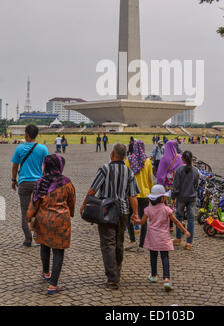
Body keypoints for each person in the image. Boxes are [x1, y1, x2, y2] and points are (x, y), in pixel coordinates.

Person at [80, 143, 140, 289]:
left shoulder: (105, 169)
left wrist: (84, 204)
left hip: (106, 210)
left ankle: (112, 278)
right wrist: (136, 214)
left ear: (112, 154)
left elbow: (93, 189)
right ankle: (117, 271)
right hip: (123, 211)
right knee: (119, 242)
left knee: (108, 244)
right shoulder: (129, 172)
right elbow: (133, 196)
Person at [26, 154, 76, 294]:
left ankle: (46, 272)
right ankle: (53, 285)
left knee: (44, 244)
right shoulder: (67, 183)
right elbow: (71, 201)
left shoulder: (40, 182)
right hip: (61, 221)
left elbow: (34, 202)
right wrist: (70, 213)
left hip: (44, 220)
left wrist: (29, 218)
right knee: (58, 251)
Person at [137, 185, 190, 291]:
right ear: (162, 198)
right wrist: (184, 231)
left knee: (153, 256)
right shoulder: (167, 209)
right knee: (165, 257)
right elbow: (175, 221)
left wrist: (135, 220)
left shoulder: (147, 210)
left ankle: (154, 275)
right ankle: (166, 279)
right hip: (163, 237)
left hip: (152, 237)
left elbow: (142, 222)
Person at [11, 125, 49, 247]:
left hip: (24, 183)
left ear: (27, 135)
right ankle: (38, 236)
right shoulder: (43, 149)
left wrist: (13, 180)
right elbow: (47, 166)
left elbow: (15, 166)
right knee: (39, 211)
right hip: (38, 183)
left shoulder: (19, 148)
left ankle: (28, 239)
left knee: (25, 212)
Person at [125, 140, 153, 251]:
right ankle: (141, 245)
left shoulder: (129, 160)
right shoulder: (147, 161)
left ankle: (132, 240)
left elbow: (126, 176)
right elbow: (150, 179)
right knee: (144, 220)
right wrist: (151, 192)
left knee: (128, 217)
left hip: (132, 194)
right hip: (145, 194)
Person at [171, 151, 199, 250]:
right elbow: (196, 185)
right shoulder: (196, 171)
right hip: (192, 197)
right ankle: (189, 242)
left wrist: (173, 198)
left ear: (182, 159)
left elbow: (176, 186)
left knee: (179, 217)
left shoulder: (179, 171)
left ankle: (178, 238)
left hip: (181, 197)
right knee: (191, 220)